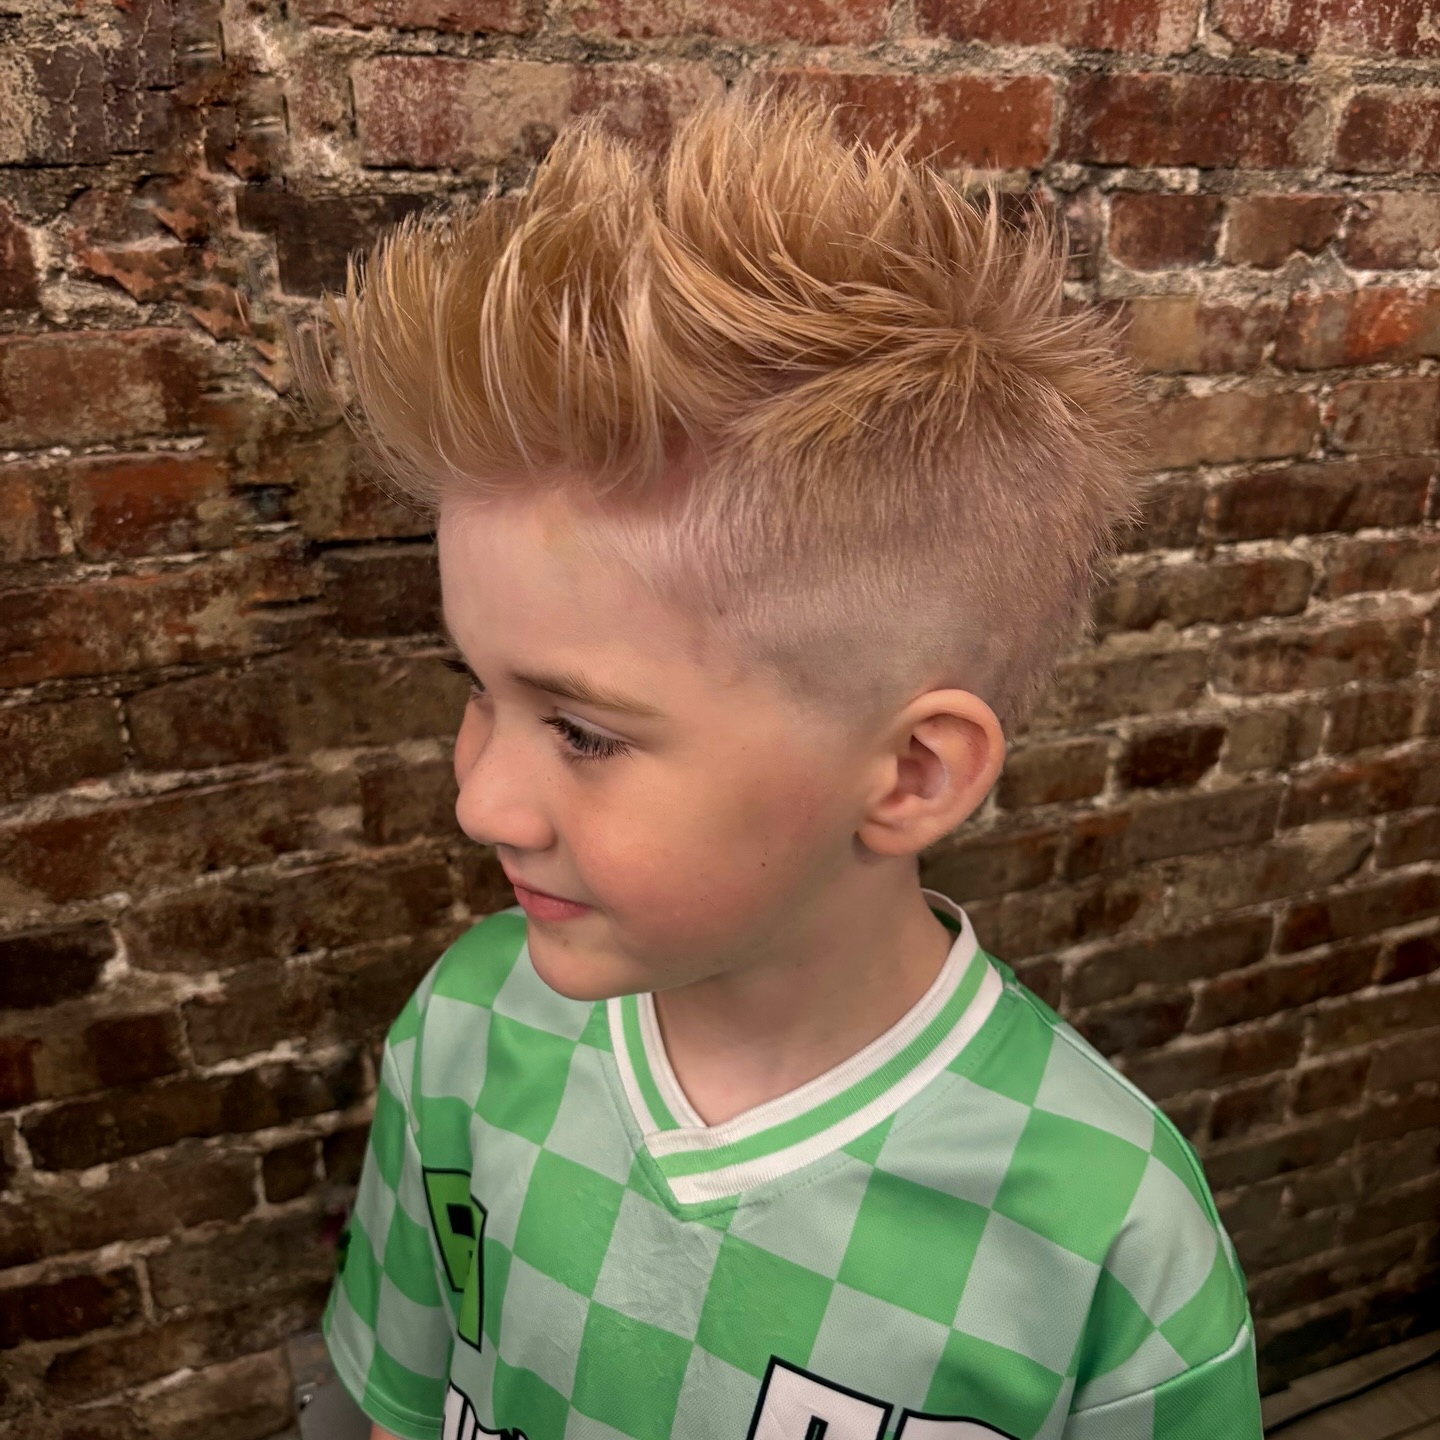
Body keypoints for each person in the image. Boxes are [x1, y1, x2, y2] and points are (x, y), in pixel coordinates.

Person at [309, 77, 1264, 1440]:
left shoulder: (1105, 1243)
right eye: (480, 691)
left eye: (583, 730)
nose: (481, 800)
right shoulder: (468, 1029)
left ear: (914, 774)